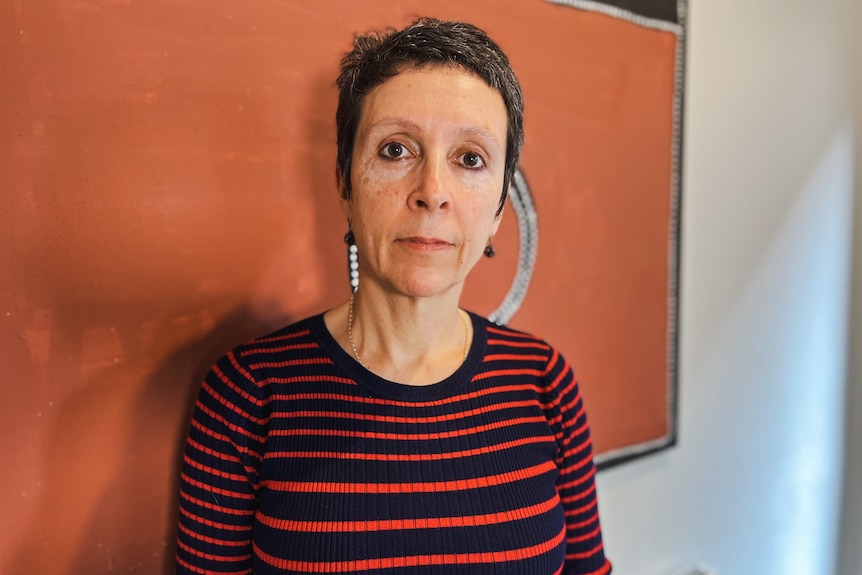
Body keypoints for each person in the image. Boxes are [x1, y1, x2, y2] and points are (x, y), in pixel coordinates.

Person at [176, 17, 612, 575]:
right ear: (345, 185)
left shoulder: (545, 382)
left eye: (470, 159)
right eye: (396, 149)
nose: (432, 192)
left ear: (499, 209)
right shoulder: (249, 394)